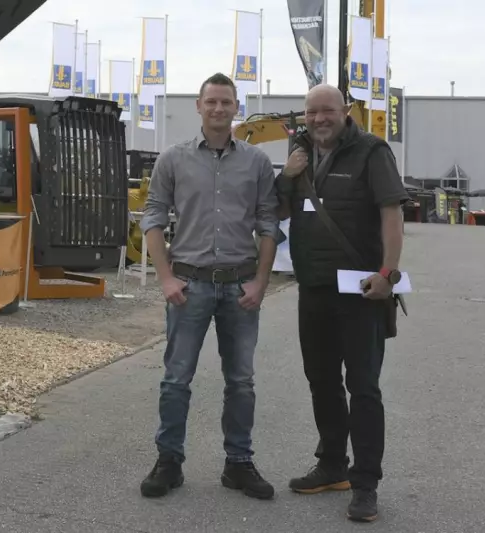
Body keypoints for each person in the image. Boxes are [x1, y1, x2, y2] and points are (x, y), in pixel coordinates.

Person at [138, 73, 280, 501]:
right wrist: (165, 277)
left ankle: (238, 463)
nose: (219, 109)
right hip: (189, 286)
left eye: (226, 102)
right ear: (198, 107)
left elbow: (269, 224)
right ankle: (169, 462)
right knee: (176, 380)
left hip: (240, 288)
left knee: (241, 381)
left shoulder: (256, 162)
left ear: (238, 107)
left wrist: (261, 283)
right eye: (211, 102)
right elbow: (153, 218)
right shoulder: (173, 160)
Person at [276, 84, 409, 522]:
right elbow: (274, 209)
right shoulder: (300, 155)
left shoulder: (372, 152)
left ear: (344, 111)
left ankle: (365, 482)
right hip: (313, 289)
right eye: (312, 112)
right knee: (322, 381)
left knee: (364, 388)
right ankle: (332, 465)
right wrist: (286, 177)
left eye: (327, 111)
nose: (319, 119)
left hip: (361, 291)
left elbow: (393, 213)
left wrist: (388, 274)